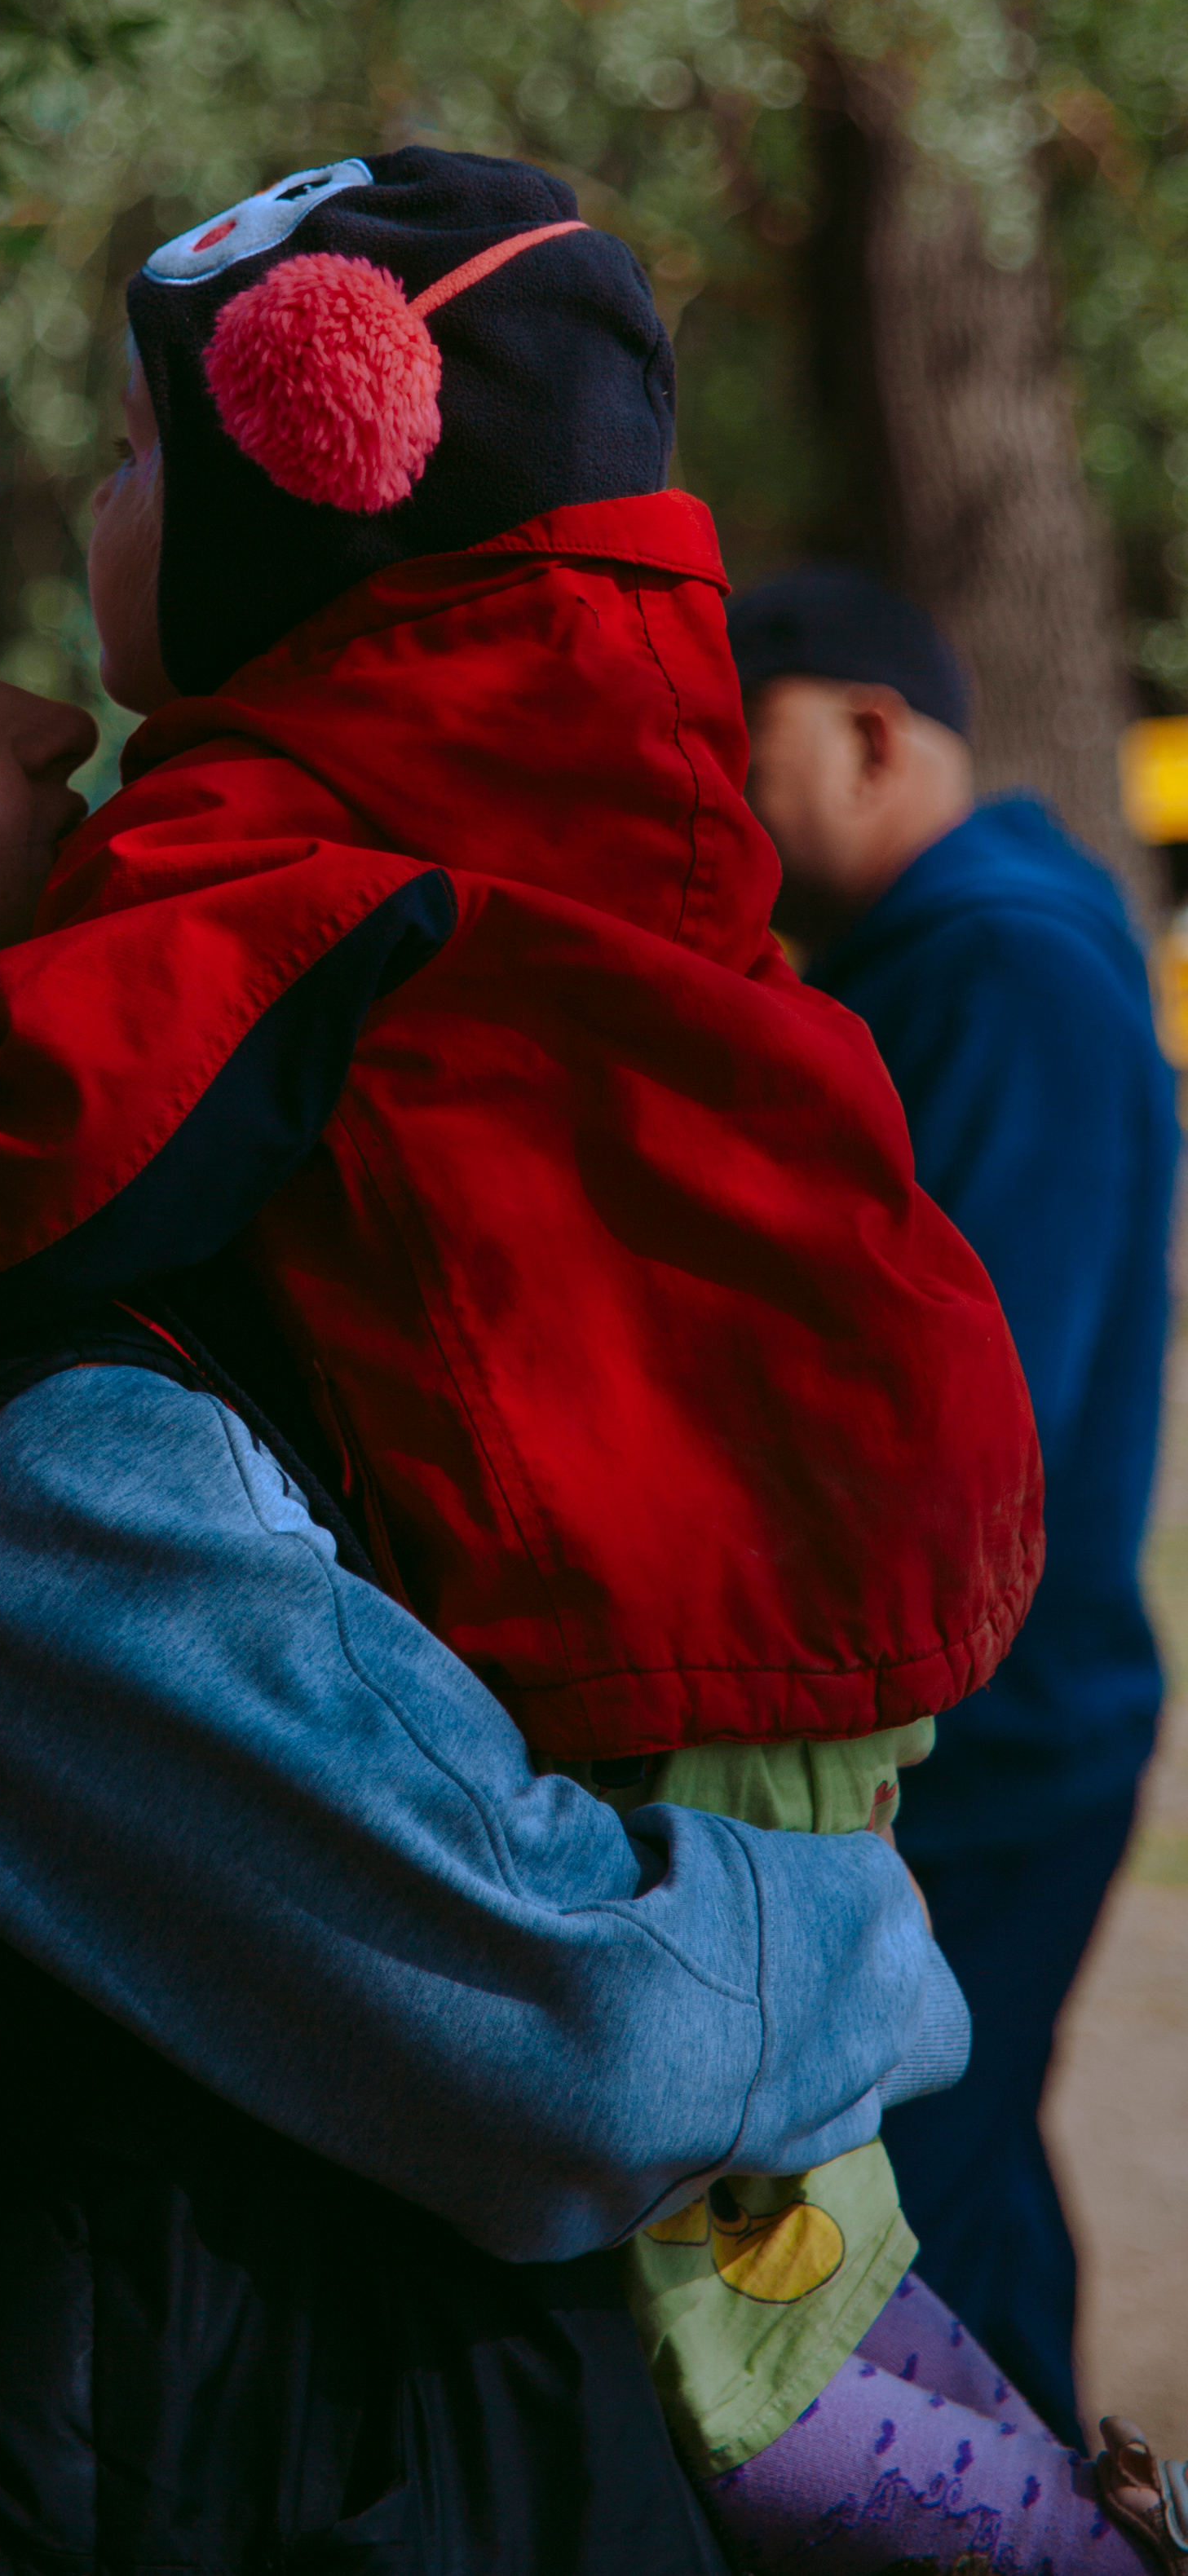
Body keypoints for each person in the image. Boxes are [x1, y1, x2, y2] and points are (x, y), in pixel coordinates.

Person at [0, 152, 1075, 2553]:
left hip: (242, 2464)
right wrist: (897, 1943)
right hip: (259, 2483)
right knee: (799, 2329)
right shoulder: (13, 1456)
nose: (61, 710)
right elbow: (608, 2029)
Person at [730, 561, 1181, 2453]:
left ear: (863, 729)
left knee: (912, 2204)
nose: (723, 813)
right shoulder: (964, 948)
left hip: (981, 1729)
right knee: (949, 2171)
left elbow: (963, 1403)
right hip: (989, 1712)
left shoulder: (993, 961)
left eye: (730, 756)